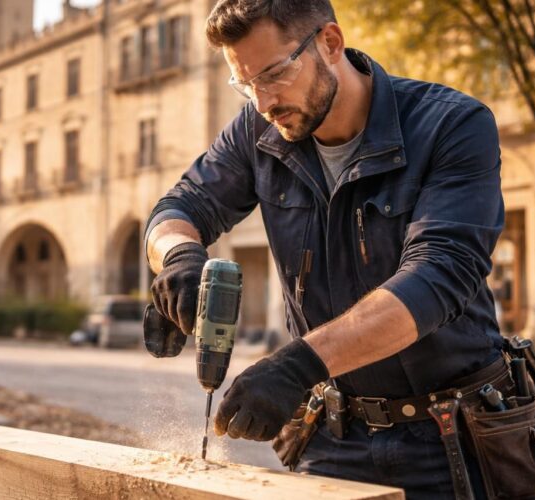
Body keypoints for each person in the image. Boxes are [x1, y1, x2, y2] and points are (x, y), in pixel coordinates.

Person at [144, 1, 507, 498]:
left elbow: (438, 277)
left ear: (330, 44)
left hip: (453, 437)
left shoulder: (451, 125)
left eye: (274, 74)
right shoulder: (258, 132)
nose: (263, 102)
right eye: (245, 84)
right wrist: (178, 257)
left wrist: (298, 365)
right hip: (332, 435)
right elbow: (179, 206)